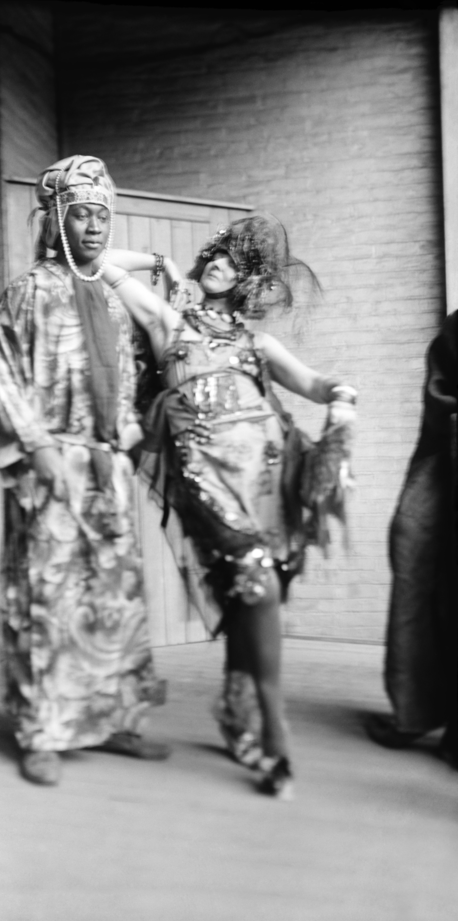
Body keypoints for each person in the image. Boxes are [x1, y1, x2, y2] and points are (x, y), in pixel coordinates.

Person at [102, 215, 358, 799]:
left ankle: (237, 704)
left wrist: (344, 397)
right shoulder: (168, 322)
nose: (219, 263)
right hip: (204, 480)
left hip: (266, 481)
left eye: (235, 263)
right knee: (257, 587)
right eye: (216, 254)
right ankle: (274, 730)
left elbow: (317, 385)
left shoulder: (257, 345)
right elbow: (97, 264)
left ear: (249, 282)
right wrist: (160, 263)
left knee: (257, 596)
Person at [0, 155, 169, 786]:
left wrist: (131, 439)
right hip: (50, 464)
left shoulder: (111, 301)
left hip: (105, 467)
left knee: (112, 598)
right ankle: (41, 731)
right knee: (46, 599)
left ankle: (113, 721)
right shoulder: (29, 291)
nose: (94, 227)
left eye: (102, 217)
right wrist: (37, 448)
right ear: (57, 219)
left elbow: (130, 382)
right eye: (82, 215)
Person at [366, 311, 457, 768]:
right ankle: (416, 709)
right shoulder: (457, 328)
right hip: (446, 462)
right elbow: (440, 399)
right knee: (412, 549)